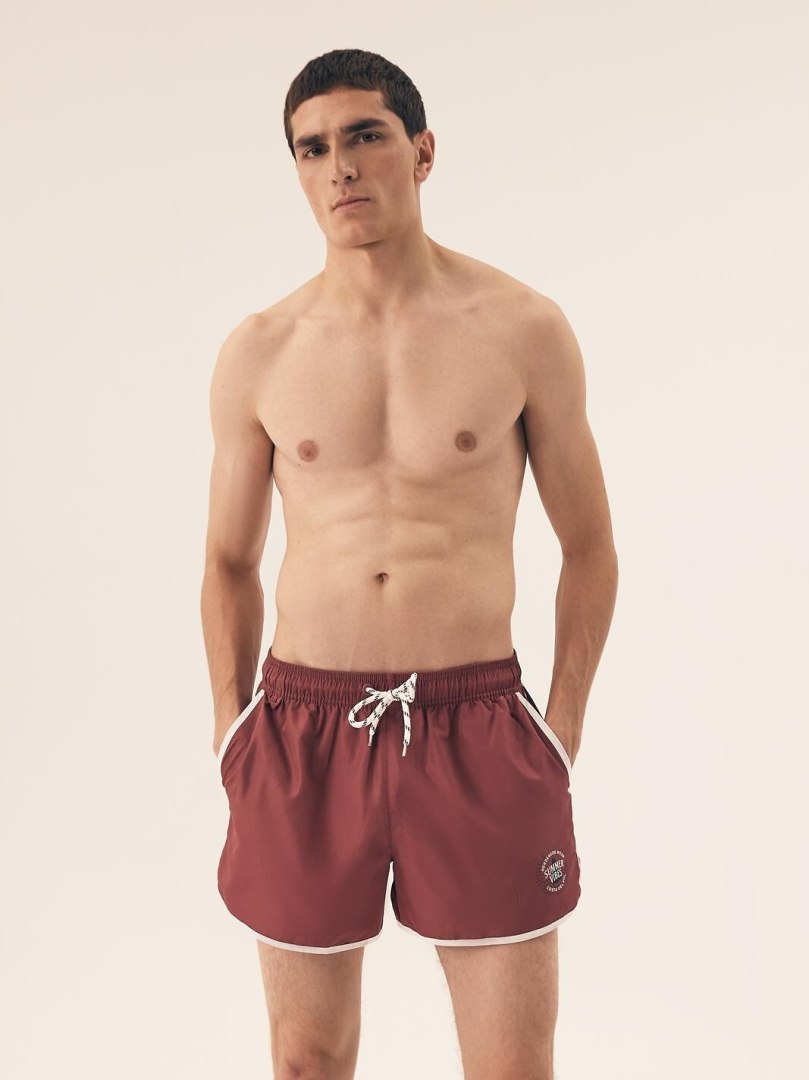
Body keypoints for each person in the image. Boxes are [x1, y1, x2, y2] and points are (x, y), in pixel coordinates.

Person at [200, 46, 618, 1080]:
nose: (338, 166)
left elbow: (588, 547)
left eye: (363, 136)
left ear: (422, 151)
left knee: (511, 1066)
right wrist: (232, 726)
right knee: (305, 1062)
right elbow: (227, 560)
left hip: (477, 728)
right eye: (311, 149)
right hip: (302, 732)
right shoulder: (260, 350)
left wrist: (559, 728)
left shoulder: (522, 328)